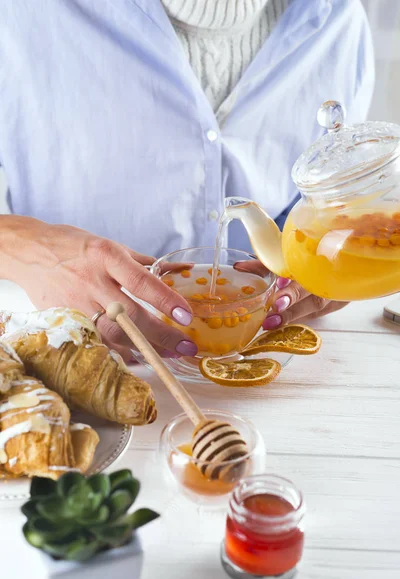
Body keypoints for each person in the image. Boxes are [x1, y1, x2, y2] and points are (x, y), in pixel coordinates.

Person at [0, 0, 374, 362]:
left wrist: (336, 262)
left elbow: (329, 214)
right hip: (63, 362)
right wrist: (31, 250)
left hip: (271, 378)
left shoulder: (340, 23)